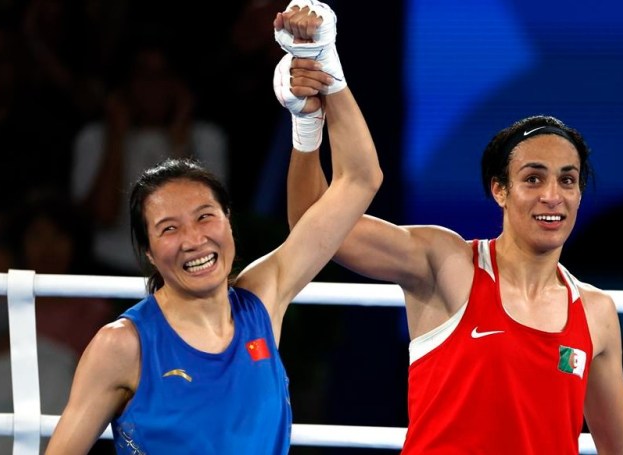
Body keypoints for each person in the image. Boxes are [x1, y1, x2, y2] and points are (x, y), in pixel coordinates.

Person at [281, 6, 623, 453]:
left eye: (567, 180)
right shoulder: (447, 264)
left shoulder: (596, 313)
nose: (553, 195)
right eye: (533, 178)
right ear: (500, 190)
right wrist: (310, 122)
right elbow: (314, 226)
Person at [45, 2, 382, 453]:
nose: (193, 239)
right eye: (168, 229)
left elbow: (361, 179)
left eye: (205, 216)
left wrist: (325, 71)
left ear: (228, 222)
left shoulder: (263, 296)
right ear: (148, 252)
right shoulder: (122, 345)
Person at [71, 34, 229, 276]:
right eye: (143, 75)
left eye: (162, 75)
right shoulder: (93, 138)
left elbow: (208, 215)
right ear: (125, 82)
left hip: (185, 269)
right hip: (109, 270)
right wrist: (115, 139)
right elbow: (103, 215)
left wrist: (179, 138)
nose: (153, 86)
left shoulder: (207, 137)